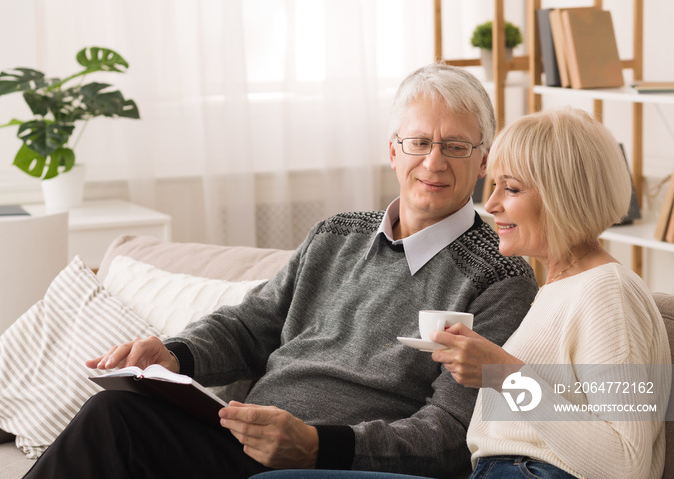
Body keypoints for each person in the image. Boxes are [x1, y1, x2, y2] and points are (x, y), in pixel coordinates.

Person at [23, 63, 538, 479]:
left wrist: (317, 447)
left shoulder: (500, 274)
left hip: (330, 466)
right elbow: (252, 325)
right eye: (419, 142)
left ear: (485, 159)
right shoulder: (335, 235)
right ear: (392, 151)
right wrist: (176, 354)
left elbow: (451, 432)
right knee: (113, 417)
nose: (434, 162)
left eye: (456, 146)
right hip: (238, 441)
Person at [252, 108, 672, 479]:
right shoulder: (558, 289)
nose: (490, 205)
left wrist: (505, 375)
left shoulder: (609, 294)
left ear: (563, 196)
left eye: (511, 188)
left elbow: (626, 462)